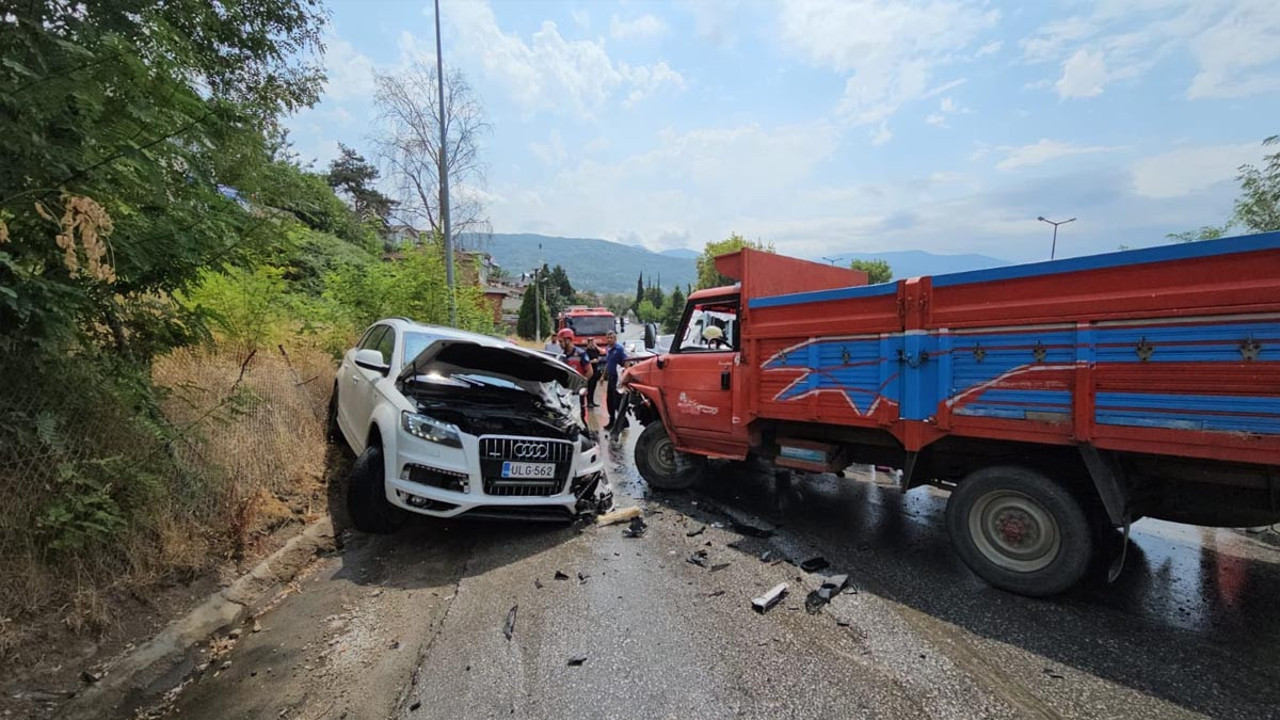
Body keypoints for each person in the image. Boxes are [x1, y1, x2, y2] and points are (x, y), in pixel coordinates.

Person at [602, 330, 628, 431]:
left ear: (615, 339)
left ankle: (624, 422)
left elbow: (626, 362)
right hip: (611, 378)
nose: (609, 339)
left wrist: (625, 377)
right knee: (610, 401)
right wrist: (603, 376)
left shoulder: (619, 349)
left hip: (618, 378)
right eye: (607, 338)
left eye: (611, 338)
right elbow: (608, 364)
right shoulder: (608, 349)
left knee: (617, 401)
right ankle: (611, 421)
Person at [583, 338, 602, 408]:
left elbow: (601, 352)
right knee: (589, 387)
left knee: (594, 386)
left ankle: (592, 401)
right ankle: (588, 402)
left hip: (595, 370)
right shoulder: (586, 351)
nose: (591, 344)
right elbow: (585, 361)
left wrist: (596, 346)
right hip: (589, 371)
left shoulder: (595, 350)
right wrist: (592, 361)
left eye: (592, 342)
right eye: (590, 342)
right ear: (588, 343)